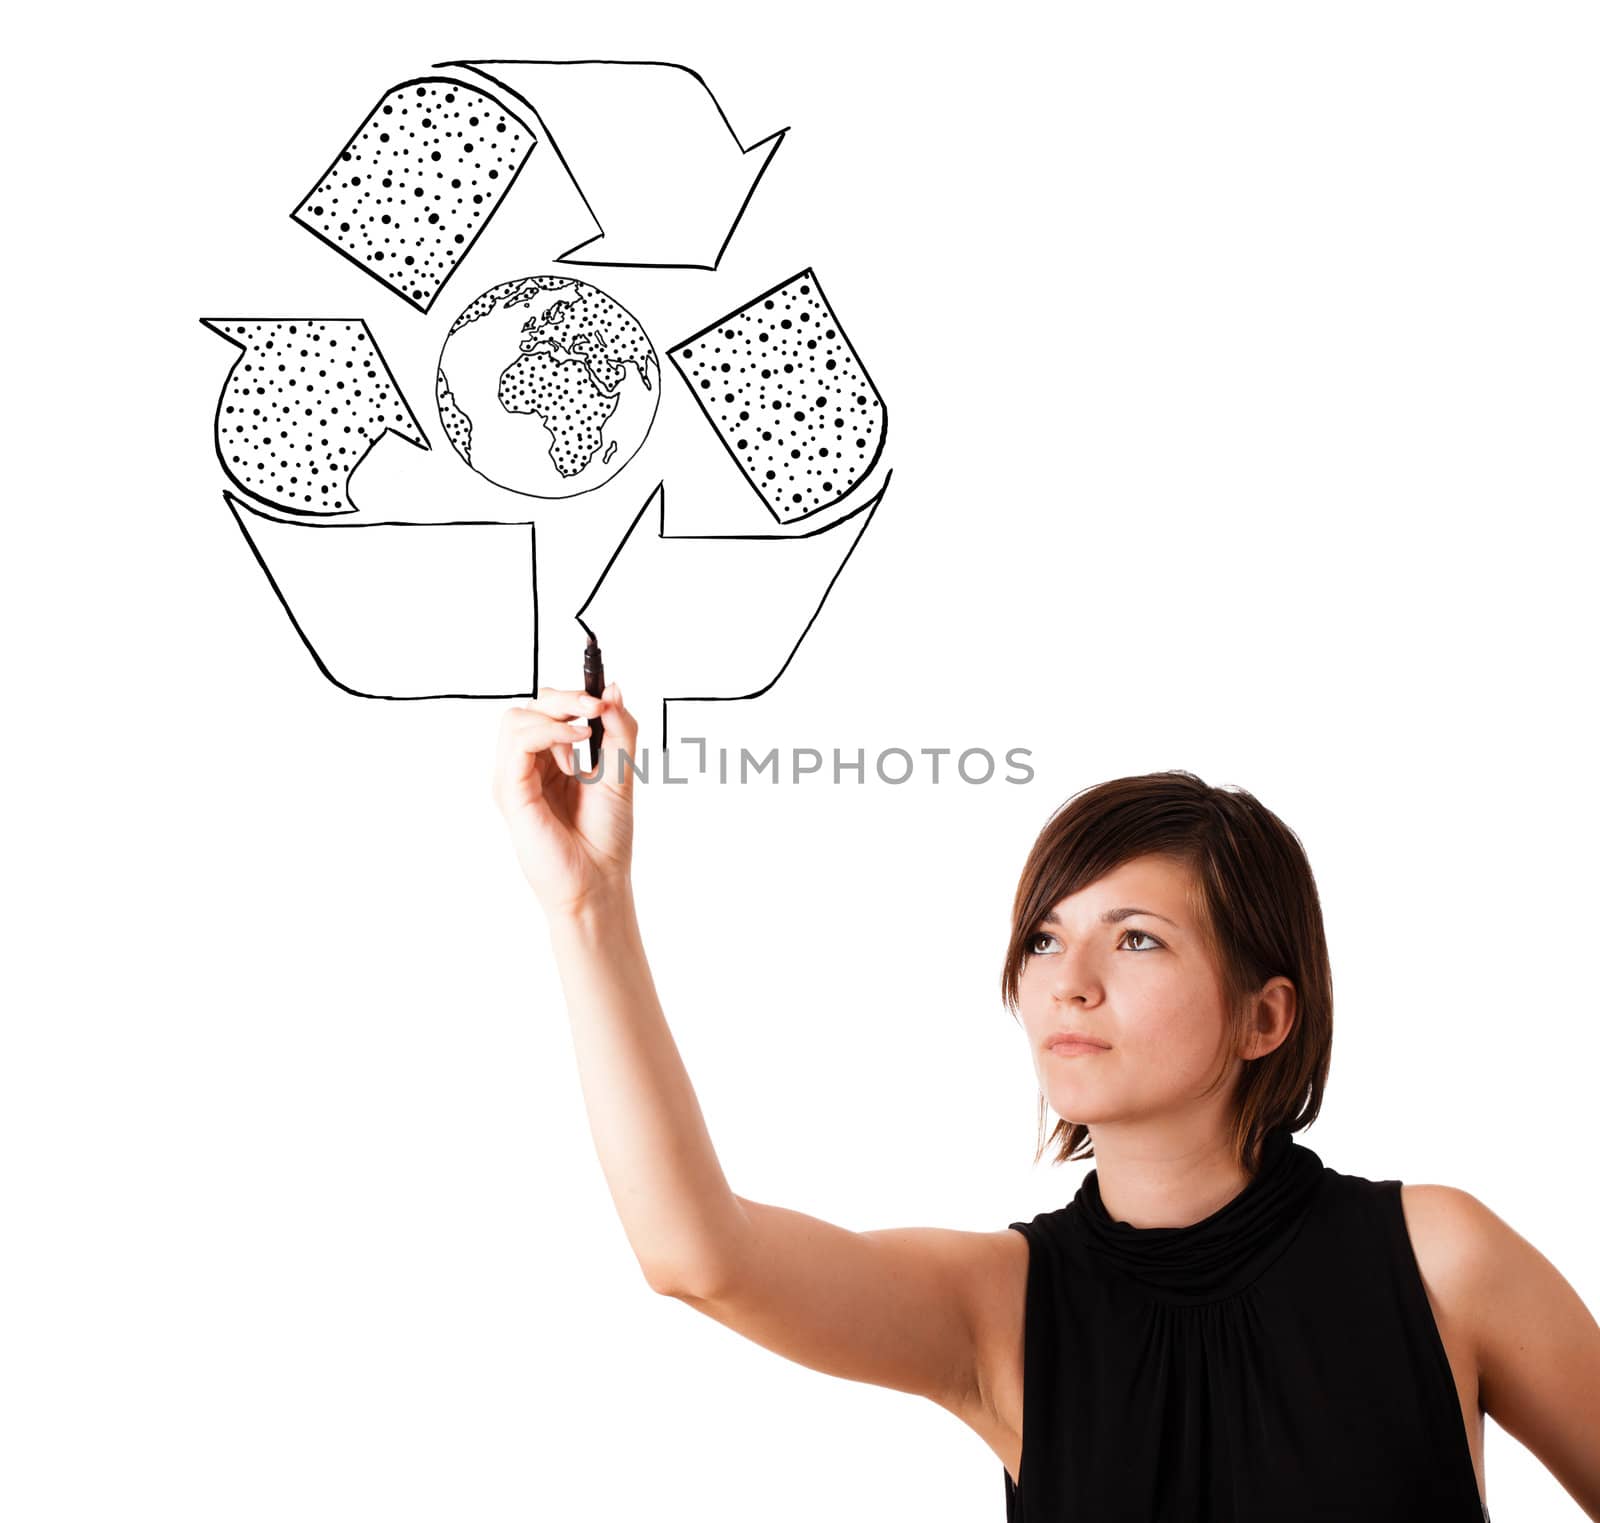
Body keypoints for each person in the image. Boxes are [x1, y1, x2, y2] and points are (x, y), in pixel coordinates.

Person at [491, 686, 1600, 1521]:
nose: (1069, 978)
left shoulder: (1440, 1255)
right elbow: (698, 1254)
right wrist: (590, 906)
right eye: (1044, 937)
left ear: (1268, 1017)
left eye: (1136, 937)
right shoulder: (1002, 1306)